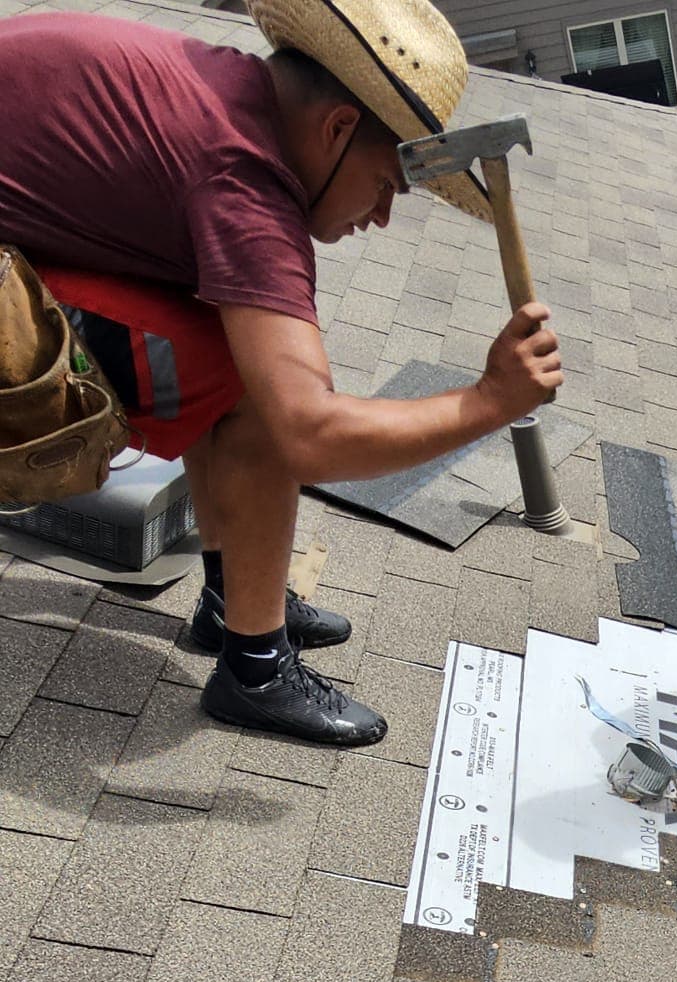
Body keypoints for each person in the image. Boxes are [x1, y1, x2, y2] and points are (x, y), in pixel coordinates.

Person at [0, 0, 562, 746]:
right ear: (335, 127)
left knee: (230, 341)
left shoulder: (232, 96)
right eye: (387, 183)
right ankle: (256, 670)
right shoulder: (245, 181)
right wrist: (492, 399)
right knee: (257, 396)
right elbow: (309, 433)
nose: (384, 214)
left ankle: (235, 597)